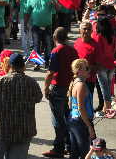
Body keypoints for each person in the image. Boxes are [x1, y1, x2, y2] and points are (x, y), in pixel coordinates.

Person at [0, 52, 43, 159]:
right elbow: (38, 98)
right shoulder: (32, 82)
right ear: (23, 66)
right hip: (23, 131)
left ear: (10, 65)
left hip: (0, 130)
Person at [43, 27, 78, 159]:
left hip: (58, 87)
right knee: (68, 117)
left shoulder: (56, 51)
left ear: (54, 38)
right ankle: (70, 145)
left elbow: (51, 72)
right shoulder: (73, 50)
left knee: (58, 119)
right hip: (70, 87)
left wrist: (46, 88)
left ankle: (58, 148)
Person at [25, 0, 58, 67]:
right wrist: (25, 24)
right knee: (36, 45)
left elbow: (58, 8)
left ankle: (47, 62)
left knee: (48, 45)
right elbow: (27, 12)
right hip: (35, 26)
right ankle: (37, 63)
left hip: (47, 26)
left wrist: (54, 1)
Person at [67, 59, 95, 159]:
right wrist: (89, 126)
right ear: (79, 71)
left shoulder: (74, 82)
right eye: (86, 68)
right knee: (85, 152)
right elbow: (81, 108)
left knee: (75, 151)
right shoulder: (81, 85)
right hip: (81, 121)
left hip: (73, 119)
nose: (89, 70)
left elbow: (70, 105)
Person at [93, 8, 116, 115]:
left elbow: (97, 51)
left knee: (104, 88)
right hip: (111, 63)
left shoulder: (99, 36)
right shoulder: (112, 36)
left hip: (102, 64)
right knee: (107, 85)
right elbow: (115, 47)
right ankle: (105, 107)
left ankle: (107, 108)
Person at [74, 21, 99, 101]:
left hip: (88, 81)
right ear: (80, 30)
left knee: (86, 104)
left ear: (92, 31)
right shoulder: (77, 42)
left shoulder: (95, 45)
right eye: (84, 29)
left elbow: (97, 65)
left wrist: (84, 71)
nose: (87, 31)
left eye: (89, 29)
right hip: (75, 78)